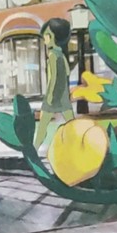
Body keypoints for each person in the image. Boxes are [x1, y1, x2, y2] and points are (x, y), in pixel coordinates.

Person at [34, 18, 73, 151]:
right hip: (63, 94)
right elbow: (67, 72)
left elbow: (53, 77)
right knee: (72, 123)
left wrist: (50, 95)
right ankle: (77, 145)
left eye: (47, 35)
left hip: (53, 94)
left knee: (43, 125)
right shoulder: (61, 54)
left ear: (54, 37)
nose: (44, 38)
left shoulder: (52, 55)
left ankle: (35, 148)